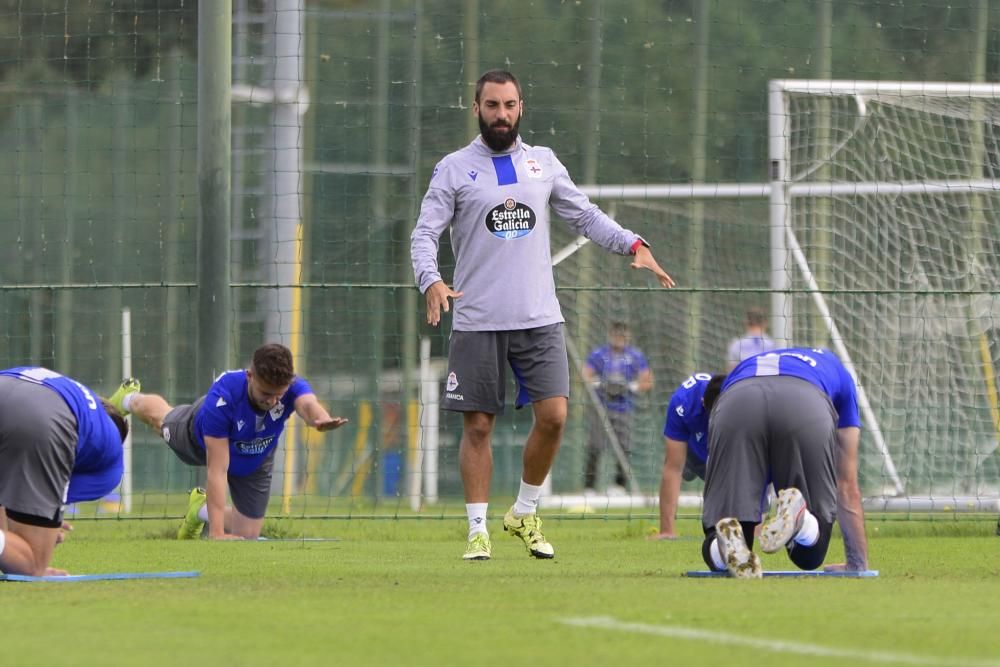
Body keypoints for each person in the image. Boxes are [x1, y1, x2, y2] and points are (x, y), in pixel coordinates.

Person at [410, 69, 675, 561]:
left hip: (538, 319)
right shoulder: (453, 168)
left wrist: (633, 244)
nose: (502, 115)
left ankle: (524, 512)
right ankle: (477, 529)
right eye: (492, 106)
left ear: (521, 108)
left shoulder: (543, 163)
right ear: (476, 109)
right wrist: (431, 279)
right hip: (478, 319)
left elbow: (585, 214)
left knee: (554, 417)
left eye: (510, 105)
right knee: (479, 428)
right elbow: (424, 234)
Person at [117, 343, 349, 540]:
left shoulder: (291, 387)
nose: (273, 401)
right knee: (161, 419)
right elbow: (217, 470)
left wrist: (321, 419)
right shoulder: (224, 398)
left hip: (255, 458)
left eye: (279, 394)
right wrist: (217, 534)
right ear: (250, 376)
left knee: (248, 533)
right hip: (198, 440)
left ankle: (200, 510)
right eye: (266, 393)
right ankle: (128, 399)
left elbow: (307, 405)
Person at [699, 347, 869, 578]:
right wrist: (857, 562)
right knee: (809, 555)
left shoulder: (747, 364)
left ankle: (726, 546)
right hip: (806, 403)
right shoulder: (839, 373)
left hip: (736, 402)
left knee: (727, 528)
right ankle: (803, 518)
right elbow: (846, 484)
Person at [0, 366, 129, 576]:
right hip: (41, 419)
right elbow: (39, 506)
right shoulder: (111, 454)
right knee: (32, 565)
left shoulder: (74, 393)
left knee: (18, 554)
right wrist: (46, 532)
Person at [649, 372, 725, 540]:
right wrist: (667, 531)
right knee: (681, 467)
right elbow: (673, 468)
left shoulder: (743, 406)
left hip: (723, 452)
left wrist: (755, 532)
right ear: (703, 404)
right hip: (693, 449)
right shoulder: (683, 403)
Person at [581, 321, 654, 494]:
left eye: (622, 335)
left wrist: (631, 386)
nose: (619, 339)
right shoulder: (599, 354)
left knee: (624, 446)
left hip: (624, 407)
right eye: (616, 335)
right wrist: (599, 384)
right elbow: (584, 374)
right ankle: (589, 486)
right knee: (595, 446)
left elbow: (648, 380)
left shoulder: (635, 355)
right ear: (610, 335)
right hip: (601, 407)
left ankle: (619, 485)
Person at [726, 307, 776, 372]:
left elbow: (731, 370)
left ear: (746, 323)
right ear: (765, 323)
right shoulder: (774, 344)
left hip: (744, 380)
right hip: (768, 380)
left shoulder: (736, 344)